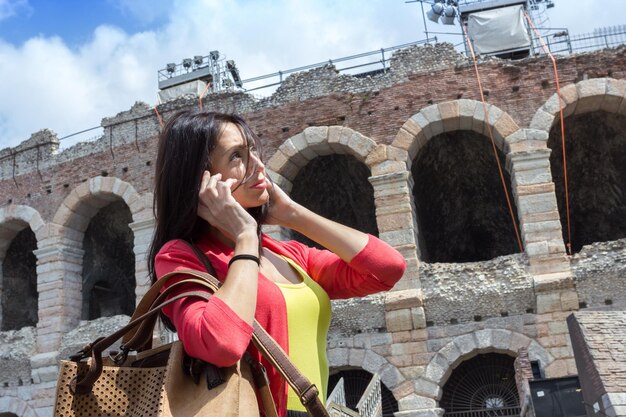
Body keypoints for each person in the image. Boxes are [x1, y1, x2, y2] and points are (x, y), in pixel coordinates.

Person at [147, 110, 406, 417]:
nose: (259, 166)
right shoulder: (179, 256)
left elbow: (387, 269)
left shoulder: (286, 254)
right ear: (201, 180)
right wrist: (244, 236)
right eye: (237, 156)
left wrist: (293, 213)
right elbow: (220, 345)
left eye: (254, 150)